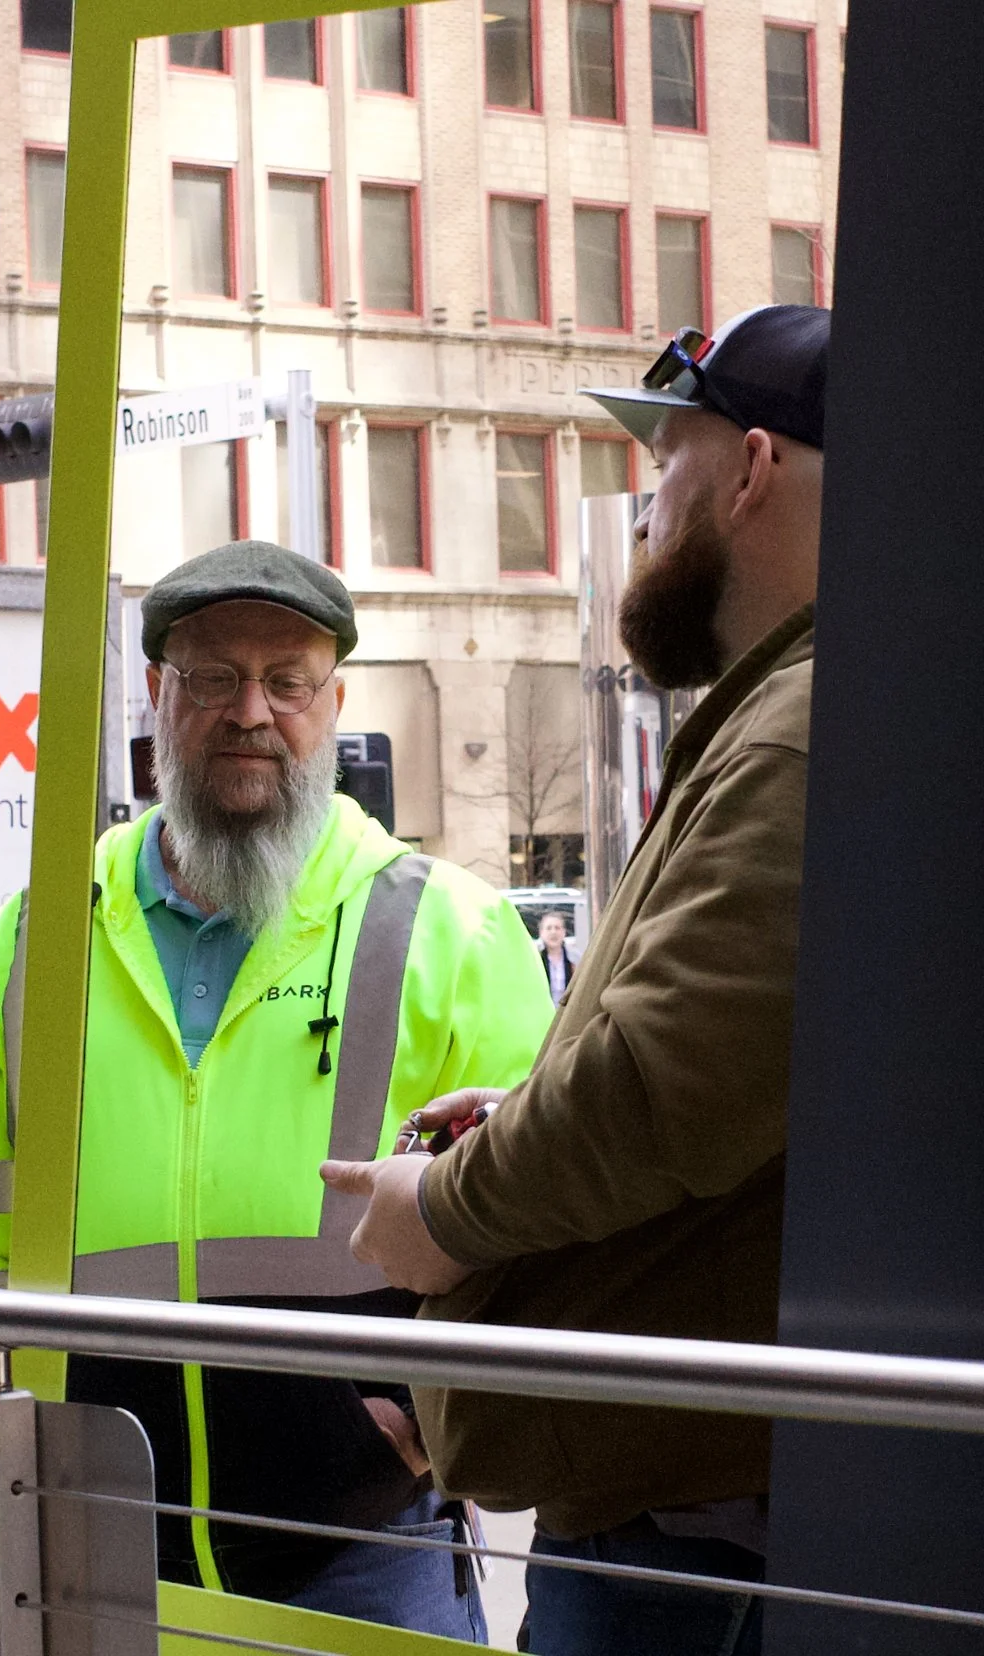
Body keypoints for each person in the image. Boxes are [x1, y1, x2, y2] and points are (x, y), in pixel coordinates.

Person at [0, 542, 556, 1640]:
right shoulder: (23, 948)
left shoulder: (455, 930)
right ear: (158, 699)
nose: (251, 712)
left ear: (332, 703)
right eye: (211, 676)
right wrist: (5, 1424)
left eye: (287, 680)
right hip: (89, 1544)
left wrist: (442, 1420)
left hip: (366, 1548)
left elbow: (542, 1224)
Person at [320, 305, 829, 1656]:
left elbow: (669, 1086)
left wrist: (447, 1213)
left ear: (753, 468)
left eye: (670, 461)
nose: (649, 506)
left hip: (691, 1547)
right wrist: (527, 1109)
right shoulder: (781, 715)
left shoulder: (797, 730)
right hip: (682, 1515)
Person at [533, 910, 576, 1005]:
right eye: (549, 928)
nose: (553, 932)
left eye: (557, 928)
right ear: (541, 932)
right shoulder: (534, 960)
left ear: (564, 932)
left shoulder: (575, 960)